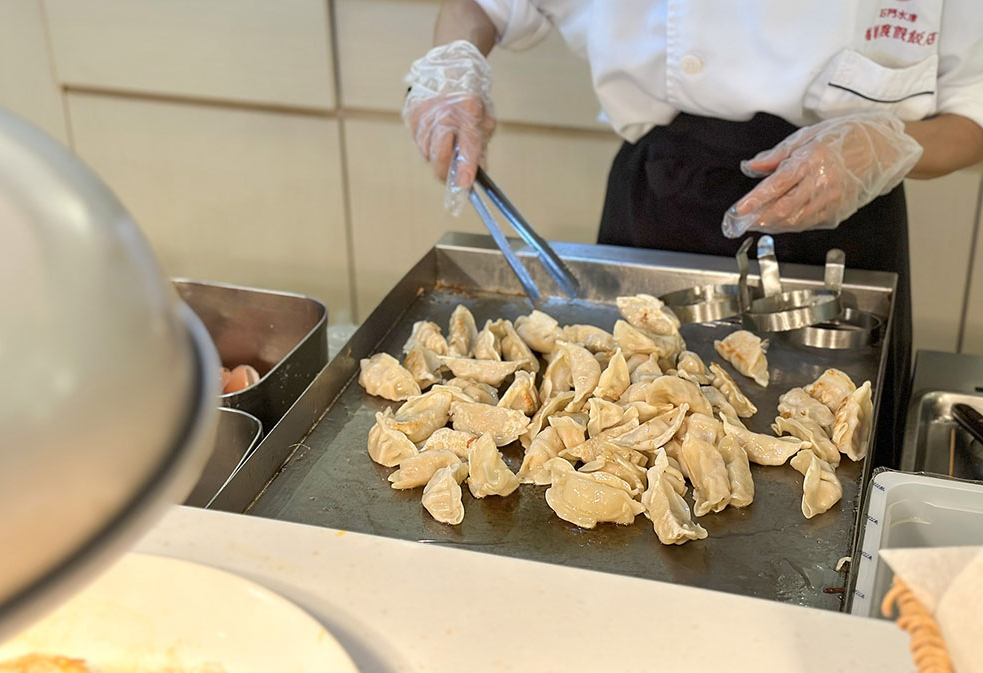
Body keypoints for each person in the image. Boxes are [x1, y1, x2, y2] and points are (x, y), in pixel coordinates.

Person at [401, 1, 983, 468]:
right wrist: (452, 67)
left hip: (845, 222)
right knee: (613, 422)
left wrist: (889, 145)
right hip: (660, 202)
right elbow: (480, 7)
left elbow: (972, 112)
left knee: (848, 462)